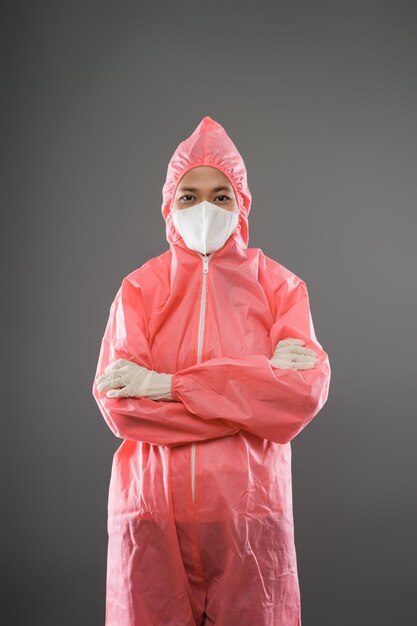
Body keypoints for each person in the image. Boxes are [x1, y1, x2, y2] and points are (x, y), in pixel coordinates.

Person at [92, 115, 331, 626]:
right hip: (150, 518)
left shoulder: (280, 288)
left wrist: (166, 386)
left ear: (242, 204)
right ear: (169, 207)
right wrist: (252, 395)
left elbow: (301, 396)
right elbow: (121, 409)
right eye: (189, 195)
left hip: (250, 520)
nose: (205, 208)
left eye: (221, 196)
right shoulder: (139, 290)